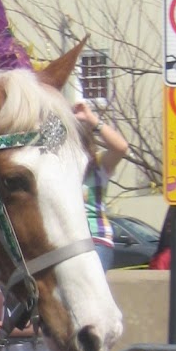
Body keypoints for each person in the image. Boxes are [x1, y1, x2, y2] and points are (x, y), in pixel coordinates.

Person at [73, 100, 128, 270]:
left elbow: (121, 147)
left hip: (96, 239)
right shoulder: (58, 168)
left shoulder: (98, 165)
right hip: (68, 242)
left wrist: (91, 119)